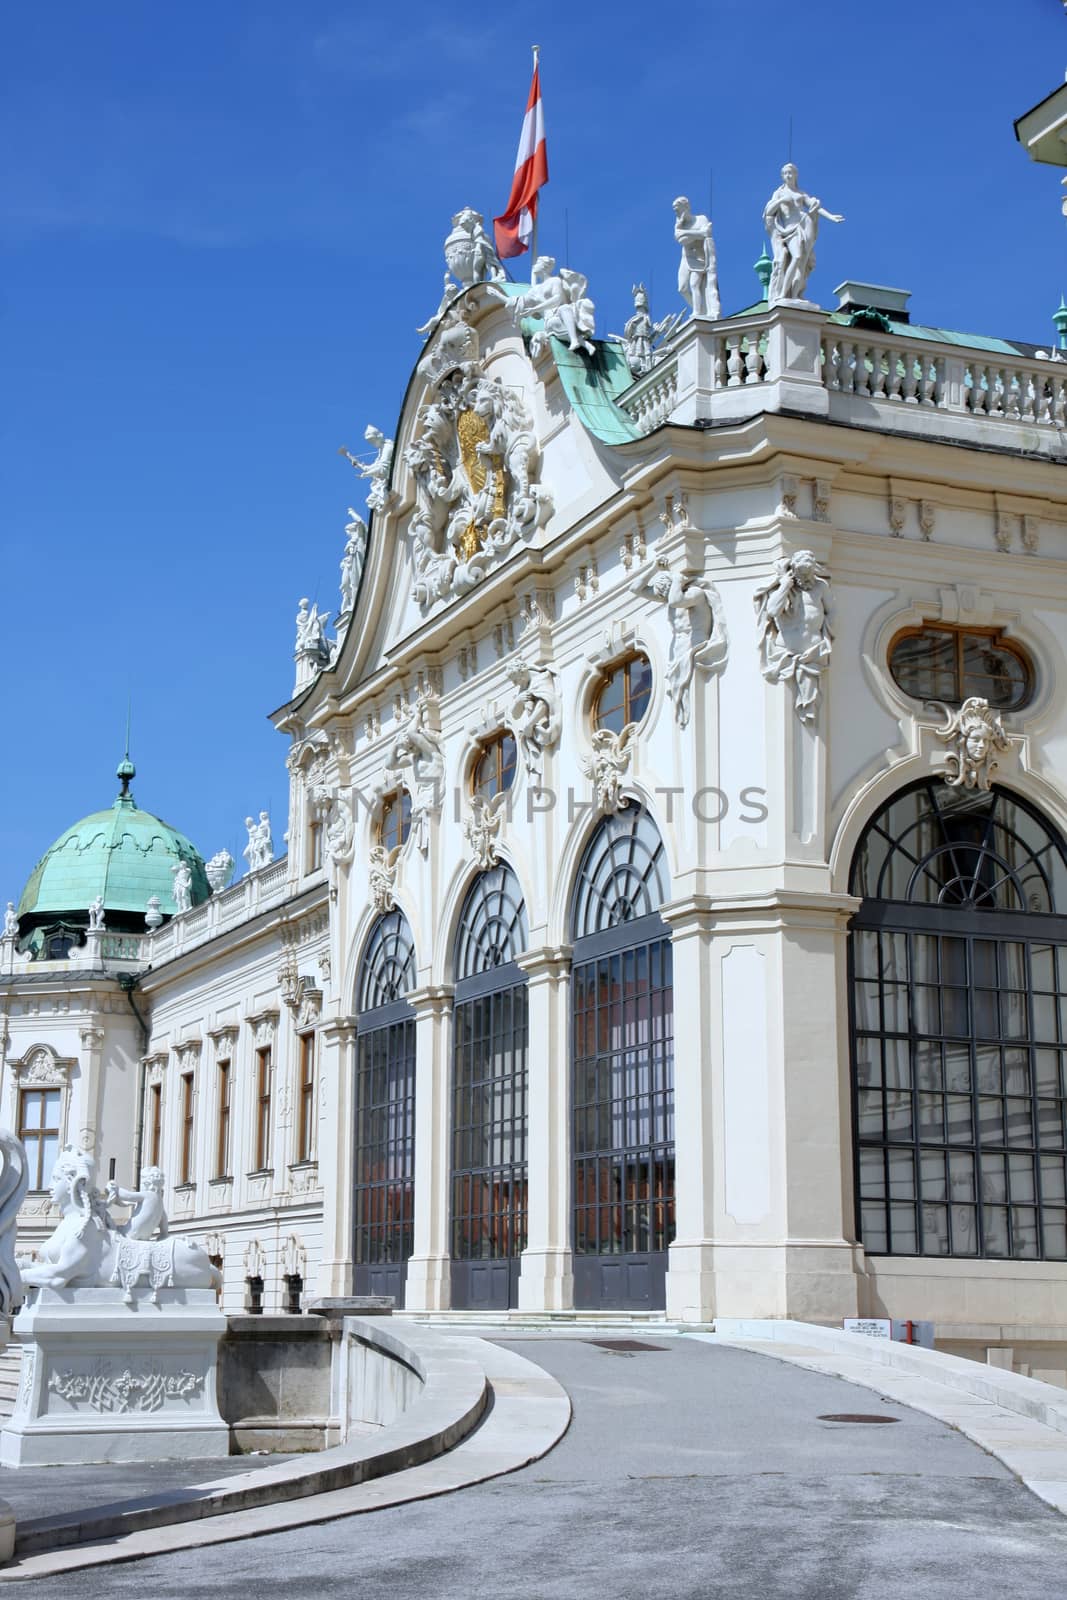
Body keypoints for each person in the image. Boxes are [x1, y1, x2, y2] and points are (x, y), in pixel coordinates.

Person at [762, 163, 844, 304]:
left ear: (796, 175)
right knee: (797, 257)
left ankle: (795, 295)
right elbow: (768, 211)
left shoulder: (801, 193)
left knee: (803, 262)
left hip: (804, 227)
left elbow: (814, 206)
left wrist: (831, 216)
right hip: (789, 230)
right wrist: (781, 200)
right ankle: (782, 293)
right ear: (782, 176)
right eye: (786, 173)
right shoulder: (779, 193)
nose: (788, 175)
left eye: (791, 173)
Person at [672, 198, 720, 320]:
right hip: (686, 258)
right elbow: (680, 239)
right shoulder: (679, 224)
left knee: (694, 284)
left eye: (678, 210)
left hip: (699, 258)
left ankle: (698, 313)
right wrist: (698, 233)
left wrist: (687, 233)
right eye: (675, 211)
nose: (677, 214)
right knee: (682, 288)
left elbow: (707, 234)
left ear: (685, 207)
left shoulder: (701, 219)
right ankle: (701, 308)